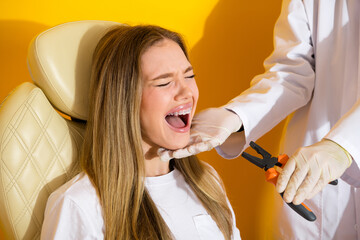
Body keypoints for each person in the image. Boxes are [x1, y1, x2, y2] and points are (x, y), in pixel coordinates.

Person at [159, 0, 360, 239]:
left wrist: (344, 145)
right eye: (162, 82)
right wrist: (237, 116)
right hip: (315, 191)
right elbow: (292, 73)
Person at [40, 24, 241, 240]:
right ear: (124, 101)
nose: (187, 92)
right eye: (164, 82)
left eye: (189, 76)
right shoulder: (79, 205)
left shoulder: (206, 181)